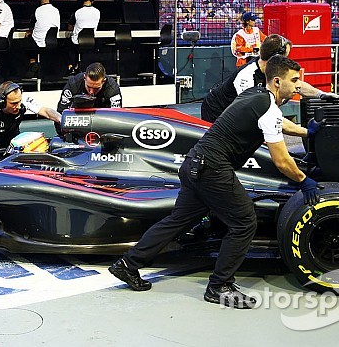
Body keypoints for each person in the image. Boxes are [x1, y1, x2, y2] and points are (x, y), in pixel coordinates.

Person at [108, 55, 322, 308]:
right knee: (244, 222)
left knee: (179, 220)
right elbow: (282, 161)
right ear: (277, 81)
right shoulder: (268, 107)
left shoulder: (257, 95)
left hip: (195, 164)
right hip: (212, 169)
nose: (298, 85)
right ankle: (219, 286)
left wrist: (305, 131)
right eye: (294, 80)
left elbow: (278, 122)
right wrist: (304, 180)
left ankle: (127, 264)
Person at [201, 34, 339, 123]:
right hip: (216, 110)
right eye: (285, 56)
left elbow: (297, 84)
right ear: (276, 57)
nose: (287, 59)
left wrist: (321, 95)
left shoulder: (275, 68)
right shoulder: (247, 76)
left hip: (238, 109)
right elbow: (248, 111)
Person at [0, 81, 61, 160]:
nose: (18, 106)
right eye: (13, 104)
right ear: (3, 102)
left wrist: (62, 119)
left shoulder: (21, 100)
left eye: (19, 102)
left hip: (12, 135)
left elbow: (46, 111)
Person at [21, 0, 61, 79]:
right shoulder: (56, 10)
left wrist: (29, 32)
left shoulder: (38, 10)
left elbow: (32, 26)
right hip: (53, 41)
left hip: (39, 42)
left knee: (21, 43)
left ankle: (32, 63)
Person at [66, 0, 100, 73]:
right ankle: (77, 66)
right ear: (92, 0)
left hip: (77, 43)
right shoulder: (97, 12)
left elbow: (70, 27)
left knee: (67, 44)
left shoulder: (77, 12)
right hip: (91, 42)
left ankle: (71, 66)